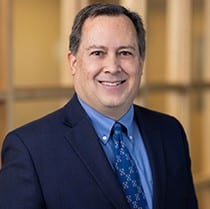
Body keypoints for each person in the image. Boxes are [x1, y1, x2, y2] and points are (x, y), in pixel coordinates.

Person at [0, 2, 198, 209]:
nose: (112, 67)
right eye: (97, 53)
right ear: (74, 63)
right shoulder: (29, 149)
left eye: (125, 53)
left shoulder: (170, 132)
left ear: (141, 62)